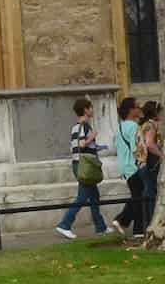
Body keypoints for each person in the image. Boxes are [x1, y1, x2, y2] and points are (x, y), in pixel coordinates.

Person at [56, 97, 109, 239]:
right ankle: (64, 225)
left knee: (94, 197)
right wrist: (92, 137)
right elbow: (81, 144)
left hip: (80, 164)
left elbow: (82, 146)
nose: (92, 110)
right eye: (90, 107)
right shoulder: (84, 125)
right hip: (84, 165)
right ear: (85, 109)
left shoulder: (76, 126)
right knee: (82, 197)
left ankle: (101, 227)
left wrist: (98, 147)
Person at [111, 98, 147, 237]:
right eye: (138, 106)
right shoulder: (133, 127)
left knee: (138, 197)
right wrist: (143, 163)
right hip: (134, 167)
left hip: (125, 167)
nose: (140, 109)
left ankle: (138, 230)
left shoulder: (120, 127)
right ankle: (122, 220)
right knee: (139, 197)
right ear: (132, 110)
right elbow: (136, 148)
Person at [140, 100, 164, 229]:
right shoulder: (151, 125)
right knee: (150, 193)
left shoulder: (147, 124)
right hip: (149, 163)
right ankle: (150, 223)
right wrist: (161, 155)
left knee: (149, 191)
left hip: (144, 163)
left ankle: (148, 223)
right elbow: (149, 144)